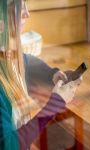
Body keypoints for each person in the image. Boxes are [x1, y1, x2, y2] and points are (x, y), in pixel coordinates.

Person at [0, 0, 82, 149]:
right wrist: (54, 104)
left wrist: (52, 74)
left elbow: (25, 60)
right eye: (19, 8)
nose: (27, 14)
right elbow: (9, 145)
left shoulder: (5, 55)